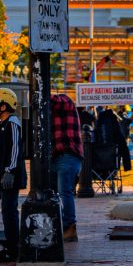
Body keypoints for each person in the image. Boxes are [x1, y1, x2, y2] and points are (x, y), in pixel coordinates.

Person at [0, 87, 27, 262]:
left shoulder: (12, 123)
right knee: (7, 210)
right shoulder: (2, 125)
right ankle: (11, 245)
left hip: (10, 175)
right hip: (5, 175)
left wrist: (9, 171)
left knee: (9, 210)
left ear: (4, 107)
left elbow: (15, 150)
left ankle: (13, 248)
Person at [49, 93, 82, 243]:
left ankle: (69, 227)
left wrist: (40, 94)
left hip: (68, 154)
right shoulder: (54, 110)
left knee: (64, 191)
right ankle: (62, 226)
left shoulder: (64, 101)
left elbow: (58, 101)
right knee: (55, 192)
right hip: (58, 156)